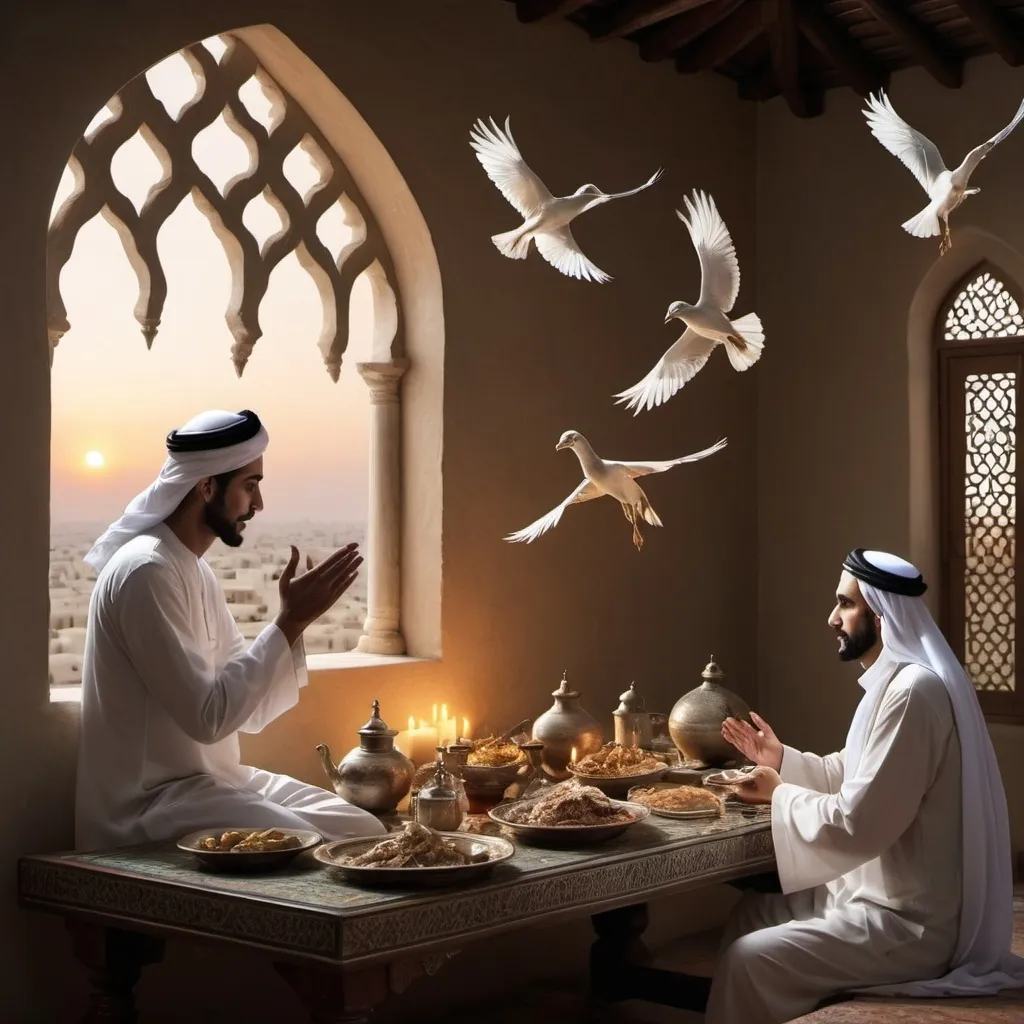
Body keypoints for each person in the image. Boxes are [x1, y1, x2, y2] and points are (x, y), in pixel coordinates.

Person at [699, 548, 1024, 1024]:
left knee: (752, 958)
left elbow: (860, 821)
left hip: (910, 923)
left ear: (882, 613)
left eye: (845, 604)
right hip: (871, 895)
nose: (833, 618)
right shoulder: (893, 683)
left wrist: (780, 794)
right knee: (751, 915)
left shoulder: (914, 693)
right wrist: (782, 761)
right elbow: (854, 772)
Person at [75, 409, 387, 850]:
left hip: (217, 784)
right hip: (150, 802)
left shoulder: (195, 570)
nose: (257, 505)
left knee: (363, 831)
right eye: (249, 486)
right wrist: (289, 620)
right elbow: (208, 718)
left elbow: (250, 712)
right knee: (313, 843)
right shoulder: (146, 571)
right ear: (206, 487)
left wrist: (295, 625)